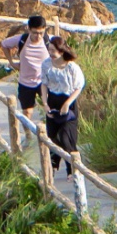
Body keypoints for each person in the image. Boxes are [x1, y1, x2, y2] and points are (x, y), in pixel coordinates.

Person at [42, 26, 86, 170]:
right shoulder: (46, 64)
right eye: (49, 50)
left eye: (53, 51)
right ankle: (53, 167)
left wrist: (67, 103)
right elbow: (44, 83)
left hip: (68, 102)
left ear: (61, 51)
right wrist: (45, 103)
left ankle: (72, 169)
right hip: (52, 100)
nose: (51, 54)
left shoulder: (72, 67)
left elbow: (78, 86)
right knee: (53, 137)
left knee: (66, 137)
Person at [10, 13, 51, 137]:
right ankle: (28, 135)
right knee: (27, 112)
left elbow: (61, 49)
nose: (38, 36)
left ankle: (51, 135)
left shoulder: (48, 40)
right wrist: (11, 62)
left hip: (44, 82)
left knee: (50, 109)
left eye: (41, 33)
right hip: (25, 83)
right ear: (28, 29)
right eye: (35, 33)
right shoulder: (22, 40)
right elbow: (4, 44)